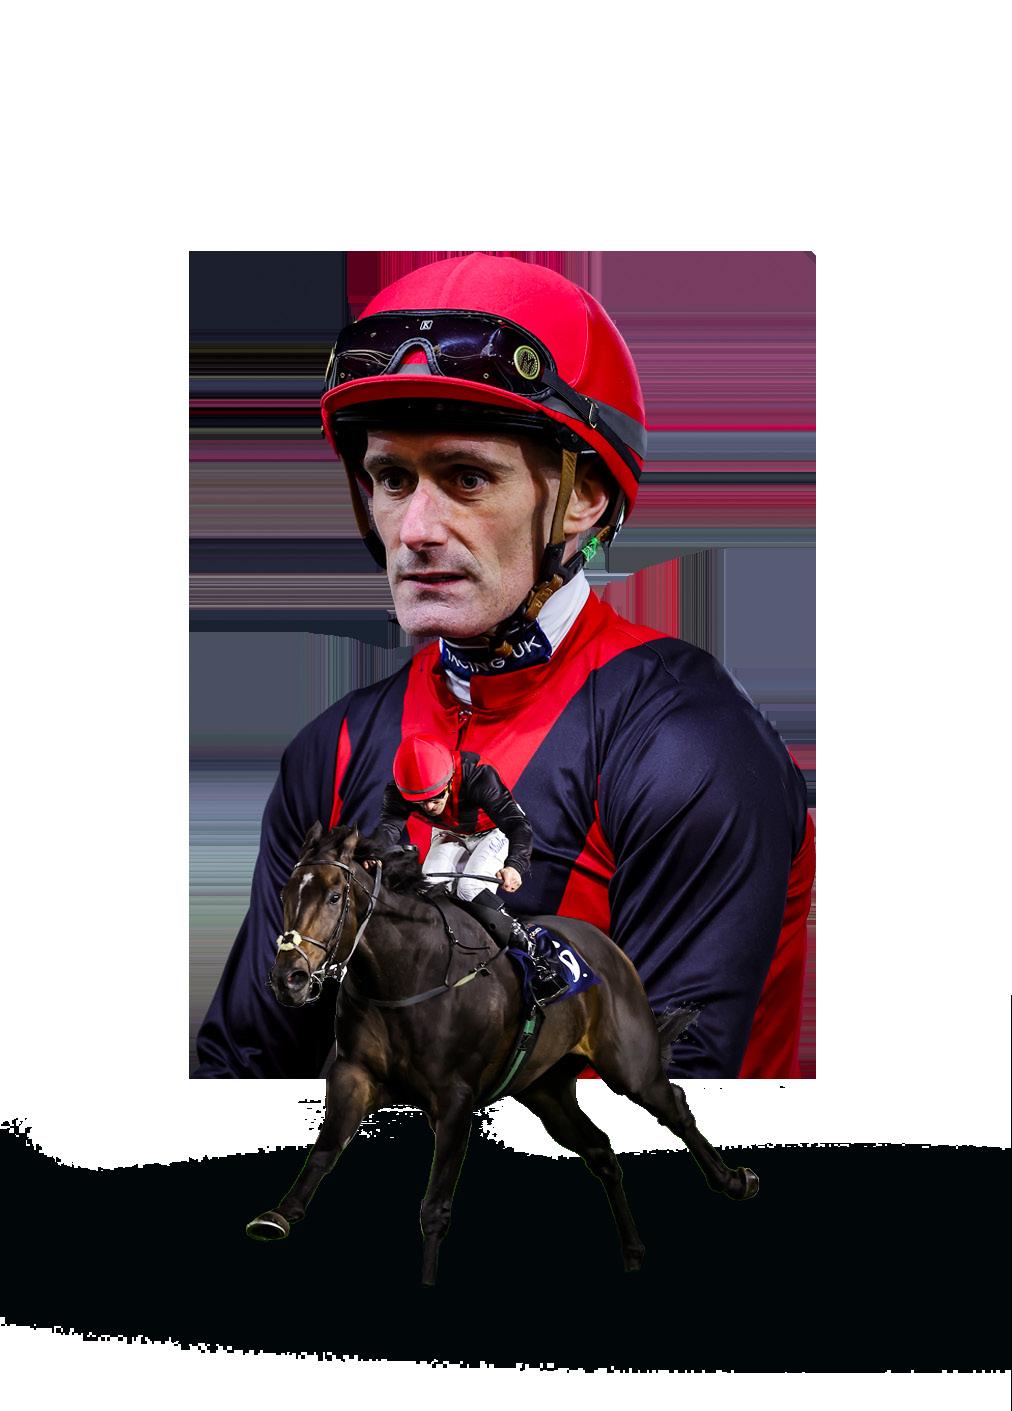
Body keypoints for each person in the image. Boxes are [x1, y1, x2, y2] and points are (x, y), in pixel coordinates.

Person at [194, 252, 815, 1080]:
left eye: (467, 478)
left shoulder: (693, 749)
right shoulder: (328, 753)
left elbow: (659, 1111)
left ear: (584, 496)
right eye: (392, 478)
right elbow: (245, 1071)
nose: (416, 529)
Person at [370, 733, 567, 1004]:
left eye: (436, 797)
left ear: (450, 779)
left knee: (468, 887)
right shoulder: (399, 791)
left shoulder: (478, 775)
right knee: (430, 889)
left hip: (494, 831)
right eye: (420, 802)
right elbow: (389, 828)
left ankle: (536, 956)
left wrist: (515, 866)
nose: (429, 807)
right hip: (450, 832)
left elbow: (517, 825)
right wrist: (373, 854)